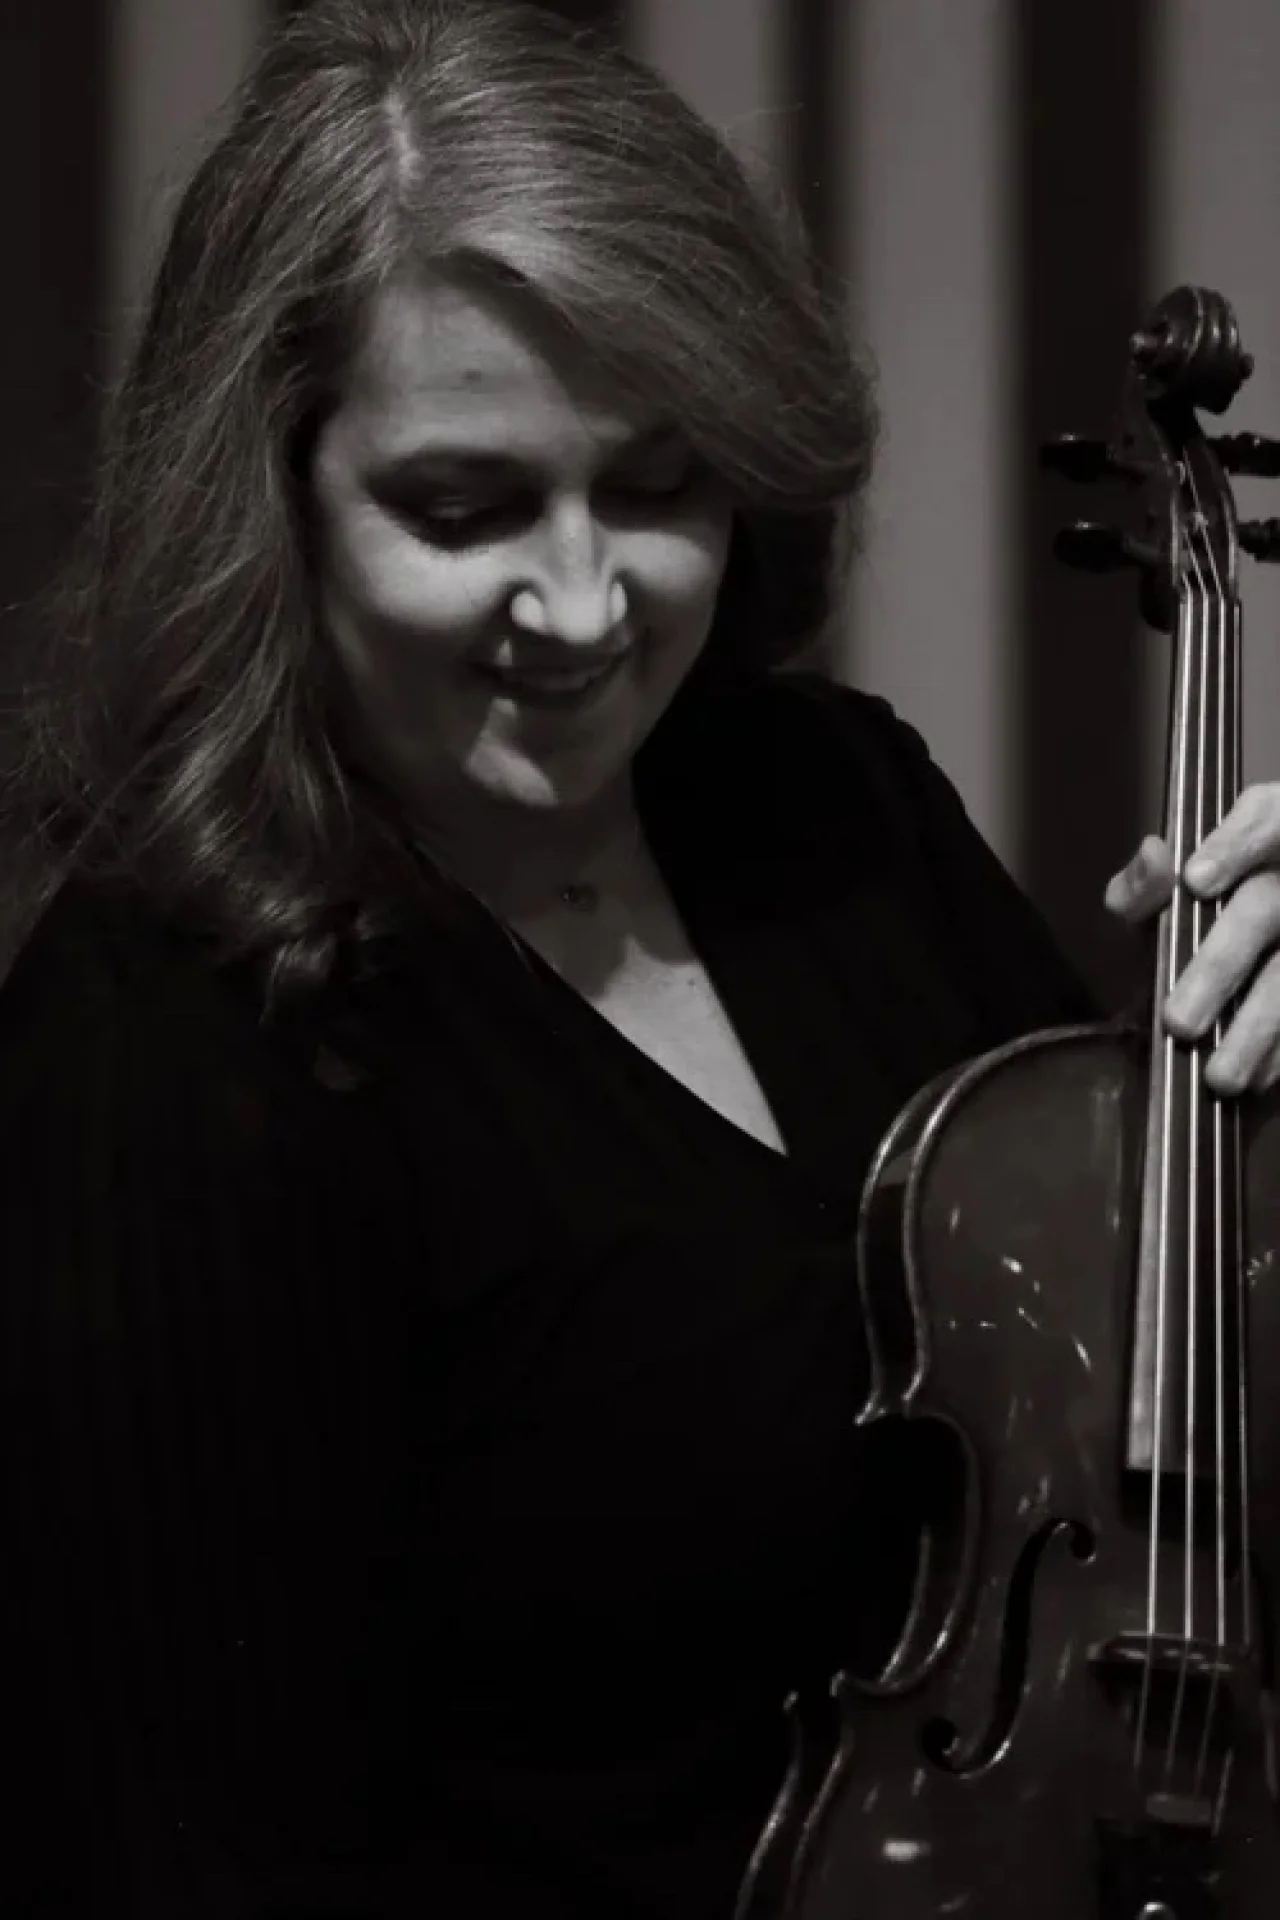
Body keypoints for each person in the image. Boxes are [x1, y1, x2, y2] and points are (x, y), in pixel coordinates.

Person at [2, 1, 1280, 1914]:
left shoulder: (827, 807)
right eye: (464, 506)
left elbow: (1149, 1452)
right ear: (268, 503)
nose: (588, 603)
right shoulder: (166, 1046)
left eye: (659, 484)